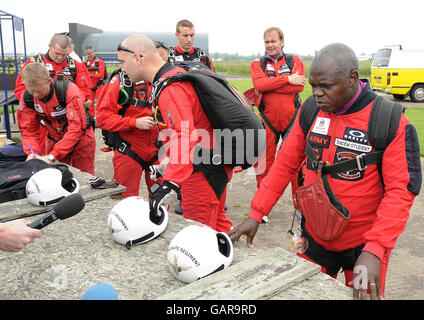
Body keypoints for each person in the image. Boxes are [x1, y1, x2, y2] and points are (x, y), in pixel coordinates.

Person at [228, 43, 422, 300]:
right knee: (304, 295)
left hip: (363, 249)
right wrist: (257, 212)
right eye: (313, 85)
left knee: (364, 298)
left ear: (353, 78)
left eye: (326, 86)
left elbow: (400, 191)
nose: (317, 93)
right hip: (314, 242)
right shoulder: (309, 110)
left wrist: (375, 249)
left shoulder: (388, 120)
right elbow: (284, 164)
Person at [117, 34, 233, 232]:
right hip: (213, 163)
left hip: (202, 171)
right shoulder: (172, 75)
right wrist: (168, 159)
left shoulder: (170, 86)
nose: (122, 69)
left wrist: (171, 183)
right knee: (218, 224)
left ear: (138, 58)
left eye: (122, 62)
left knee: (198, 233)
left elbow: (184, 134)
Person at [15, 34, 93, 155]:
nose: (60, 57)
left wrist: (73, 101)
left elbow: (85, 91)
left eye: (64, 54)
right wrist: (42, 103)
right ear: (49, 46)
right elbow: (22, 92)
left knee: (80, 162)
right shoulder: (33, 65)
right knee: (46, 161)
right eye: (57, 53)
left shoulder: (76, 66)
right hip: (45, 125)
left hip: (71, 118)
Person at [250, 27, 306, 189]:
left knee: (296, 163)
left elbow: (299, 87)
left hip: (292, 120)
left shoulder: (294, 60)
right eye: (267, 42)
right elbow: (259, 84)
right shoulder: (257, 63)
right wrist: (288, 80)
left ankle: (300, 208)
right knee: (263, 165)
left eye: (273, 41)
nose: (270, 45)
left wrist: (269, 85)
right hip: (268, 120)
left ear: (282, 42)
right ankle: (262, 210)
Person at [17, 62, 96, 175]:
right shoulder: (27, 98)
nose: (35, 94)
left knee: (84, 177)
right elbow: (28, 130)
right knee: (55, 176)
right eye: (31, 90)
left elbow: (77, 128)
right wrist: (33, 153)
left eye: (39, 90)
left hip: (81, 140)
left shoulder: (68, 90)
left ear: (49, 82)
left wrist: (54, 155)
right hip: (54, 138)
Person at [96, 66, 162, 198]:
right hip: (129, 151)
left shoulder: (165, 79)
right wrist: (134, 123)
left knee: (161, 198)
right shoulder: (120, 82)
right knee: (126, 200)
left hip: (159, 151)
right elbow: (102, 119)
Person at [84, 45, 107, 117]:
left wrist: (91, 75)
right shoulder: (84, 62)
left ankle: (101, 118)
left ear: (93, 52)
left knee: (101, 103)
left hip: (99, 85)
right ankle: (91, 120)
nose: (89, 55)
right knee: (90, 104)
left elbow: (101, 74)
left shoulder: (99, 62)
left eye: (90, 53)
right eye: (87, 54)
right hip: (89, 87)